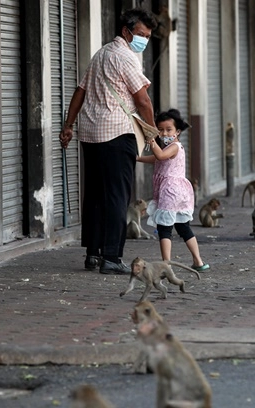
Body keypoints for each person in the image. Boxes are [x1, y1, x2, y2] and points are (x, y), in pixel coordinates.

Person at [60, 9, 158, 275]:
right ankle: (112, 258)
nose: (144, 41)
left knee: (95, 195)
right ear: (126, 31)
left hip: (90, 135)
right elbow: (143, 100)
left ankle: (93, 254)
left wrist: (69, 125)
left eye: (148, 36)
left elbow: (79, 91)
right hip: (117, 134)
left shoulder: (100, 54)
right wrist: (152, 131)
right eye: (141, 34)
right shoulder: (125, 57)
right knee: (117, 197)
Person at [137, 109, 209, 271]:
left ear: (177, 131)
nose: (164, 133)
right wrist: (138, 158)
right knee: (183, 227)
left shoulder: (175, 146)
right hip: (177, 192)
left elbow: (160, 156)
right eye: (160, 130)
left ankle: (166, 263)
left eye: (168, 129)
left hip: (171, 191)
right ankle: (198, 261)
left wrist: (152, 141)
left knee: (164, 228)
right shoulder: (168, 147)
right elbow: (157, 159)